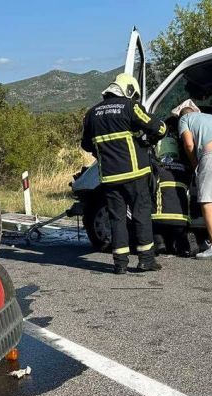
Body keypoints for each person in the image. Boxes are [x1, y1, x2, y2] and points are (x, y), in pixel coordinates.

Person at [82, 73, 167, 274]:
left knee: (117, 218)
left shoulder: (91, 114)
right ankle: (146, 260)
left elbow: (86, 144)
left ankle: (120, 263)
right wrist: (146, 140)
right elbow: (159, 128)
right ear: (128, 90)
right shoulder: (130, 107)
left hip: (109, 176)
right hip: (135, 173)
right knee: (141, 214)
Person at [176, 100, 212, 259]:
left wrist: (195, 164)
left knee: (206, 202)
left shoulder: (184, 119)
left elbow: (189, 145)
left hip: (211, 155)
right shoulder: (211, 117)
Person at [151, 119, 198, 257]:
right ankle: (183, 240)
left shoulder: (156, 166)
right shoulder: (184, 167)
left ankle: (159, 242)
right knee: (176, 239)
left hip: (159, 217)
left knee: (153, 227)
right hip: (182, 219)